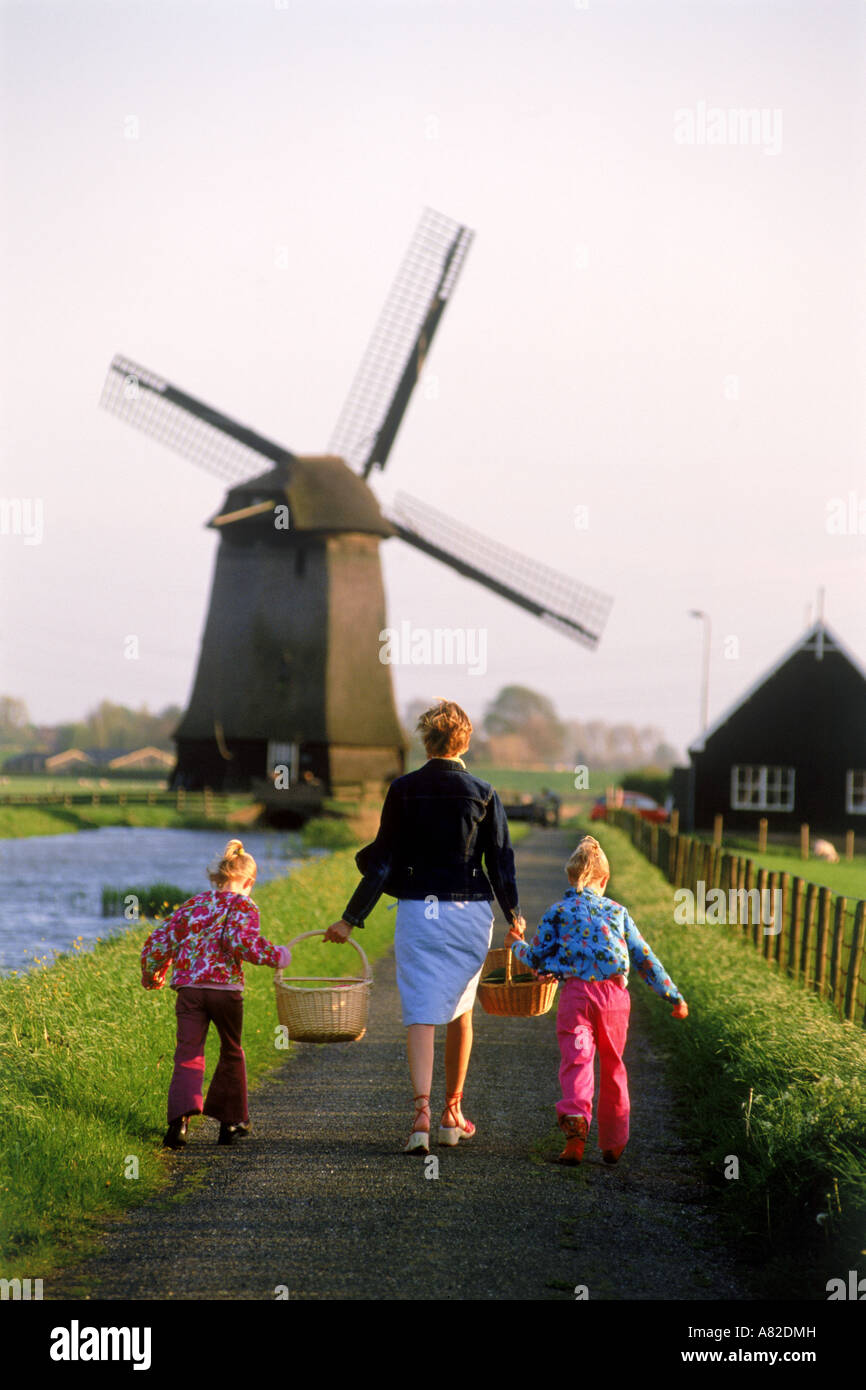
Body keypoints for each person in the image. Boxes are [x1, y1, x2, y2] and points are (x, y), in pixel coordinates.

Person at [324, 699, 526, 1155]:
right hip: (470, 913)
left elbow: (382, 862)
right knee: (460, 1009)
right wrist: (513, 914)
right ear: (466, 740)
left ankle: (421, 1114)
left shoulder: (403, 789)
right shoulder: (484, 792)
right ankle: (453, 1115)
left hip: (420, 912)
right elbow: (501, 862)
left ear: (425, 741)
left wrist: (350, 919)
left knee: (420, 1012)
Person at [506, 834, 688, 1166]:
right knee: (614, 1065)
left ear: (571, 877)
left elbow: (536, 959)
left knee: (577, 1061)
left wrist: (515, 944)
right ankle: (613, 1143)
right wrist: (673, 996)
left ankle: (575, 1135)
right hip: (615, 999)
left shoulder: (558, 912)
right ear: (604, 880)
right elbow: (646, 958)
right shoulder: (619, 912)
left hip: (576, 997)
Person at [141, 838, 292, 1149]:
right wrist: (276, 955)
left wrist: (154, 974)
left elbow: (160, 941)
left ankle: (178, 1124)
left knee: (187, 1053)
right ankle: (231, 1122)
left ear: (218, 877)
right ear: (249, 881)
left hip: (190, 990)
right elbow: (241, 943)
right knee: (232, 1050)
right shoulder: (244, 905)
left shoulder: (194, 905)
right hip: (224, 990)